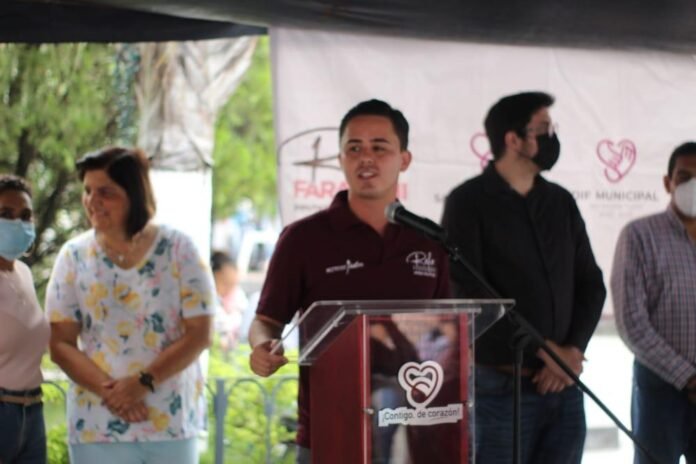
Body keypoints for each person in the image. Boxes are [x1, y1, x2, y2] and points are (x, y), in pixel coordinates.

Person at [247, 99, 451, 463]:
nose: (366, 158)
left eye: (379, 147)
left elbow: (449, 328)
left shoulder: (429, 241)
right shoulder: (303, 239)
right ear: (340, 159)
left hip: (415, 429)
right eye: (354, 148)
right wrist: (262, 346)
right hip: (330, 428)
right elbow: (266, 320)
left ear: (404, 159)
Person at [441, 91, 606, 464]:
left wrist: (572, 351)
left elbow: (591, 284)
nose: (552, 138)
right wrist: (545, 351)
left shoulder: (561, 201)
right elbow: (469, 295)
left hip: (564, 385)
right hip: (500, 389)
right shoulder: (467, 202)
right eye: (543, 129)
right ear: (513, 140)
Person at [46, 147, 214, 464]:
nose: (92, 201)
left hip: (170, 423)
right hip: (97, 424)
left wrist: (143, 383)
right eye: (88, 191)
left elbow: (200, 334)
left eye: (105, 192)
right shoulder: (73, 256)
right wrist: (114, 393)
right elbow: (60, 343)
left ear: (135, 195)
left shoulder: (180, 249)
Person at [611, 141, 696, 464]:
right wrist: (688, 377)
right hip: (660, 390)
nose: (693, 186)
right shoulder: (639, 235)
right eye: (685, 177)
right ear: (667, 182)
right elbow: (631, 322)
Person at [0, 174, 50, 464]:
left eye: (25, 215)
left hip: (32, 413)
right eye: (6, 214)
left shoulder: (25, 274)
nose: (17, 223)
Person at [210, 250, 248, 354]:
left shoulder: (238, 295)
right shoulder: (210, 299)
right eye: (225, 284)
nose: (229, 290)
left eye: (233, 284)